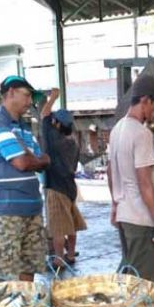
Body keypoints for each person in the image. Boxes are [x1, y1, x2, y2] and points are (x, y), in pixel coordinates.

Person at [108, 75, 154, 283]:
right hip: (142, 219)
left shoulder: (117, 128)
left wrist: (114, 205)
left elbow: (111, 172)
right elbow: (144, 182)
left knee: (129, 279)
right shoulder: (141, 133)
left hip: (125, 215)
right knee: (144, 287)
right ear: (145, 100)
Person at [0, 75, 50, 281]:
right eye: (27, 95)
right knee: (4, 273)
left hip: (32, 207)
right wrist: (34, 159)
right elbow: (23, 162)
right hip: (7, 210)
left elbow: (43, 160)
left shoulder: (24, 128)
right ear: (10, 93)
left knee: (29, 267)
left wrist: (33, 159)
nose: (30, 102)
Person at [40, 88, 87, 269]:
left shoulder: (53, 139)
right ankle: (70, 253)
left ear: (58, 125)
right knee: (71, 223)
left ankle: (59, 258)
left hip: (56, 187)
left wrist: (53, 97)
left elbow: (44, 114)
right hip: (70, 187)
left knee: (58, 226)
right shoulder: (73, 142)